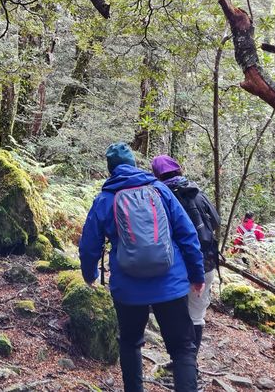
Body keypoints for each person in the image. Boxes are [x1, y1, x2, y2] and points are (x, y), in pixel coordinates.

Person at [79, 142, 205, 392]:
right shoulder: (160, 190)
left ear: (110, 169)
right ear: (135, 165)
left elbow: (89, 245)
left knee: (130, 343)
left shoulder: (104, 199)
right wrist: (196, 274)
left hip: (128, 289)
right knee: (182, 349)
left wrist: (90, 274)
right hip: (170, 284)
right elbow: (187, 234)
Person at [151, 155, 219, 389]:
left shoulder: (158, 196)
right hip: (206, 263)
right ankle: (191, 364)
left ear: (156, 174)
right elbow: (216, 221)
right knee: (196, 315)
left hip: (176, 268)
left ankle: (181, 363)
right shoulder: (196, 192)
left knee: (178, 319)